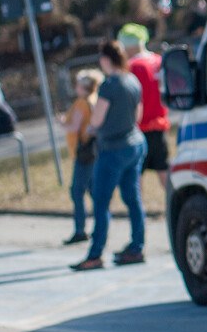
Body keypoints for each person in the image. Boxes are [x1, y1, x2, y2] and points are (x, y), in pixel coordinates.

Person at [71, 40, 148, 272]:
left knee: (101, 201)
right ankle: (137, 246)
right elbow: (138, 114)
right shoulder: (132, 80)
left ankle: (95, 254)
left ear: (105, 59)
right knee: (133, 199)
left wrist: (94, 127)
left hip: (112, 149)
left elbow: (96, 119)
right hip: (134, 144)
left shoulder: (109, 85)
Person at [118, 23, 171, 191]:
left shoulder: (132, 67)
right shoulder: (158, 60)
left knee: (136, 174)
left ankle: (139, 214)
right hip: (160, 125)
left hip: (139, 128)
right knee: (164, 170)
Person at [59, 69, 103, 245]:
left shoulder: (82, 103)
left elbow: (74, 127)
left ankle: (80, 230)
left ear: (84, 86)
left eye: (78, 83)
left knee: (77, 191)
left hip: (83, 154)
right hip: (92, 152)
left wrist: (62, 123)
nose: (75, 86)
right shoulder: (94, 99)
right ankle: (100, 223)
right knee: (93, 191)